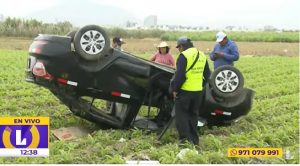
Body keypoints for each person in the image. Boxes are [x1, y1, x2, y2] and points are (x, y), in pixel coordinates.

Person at [169, 37, 210, 145]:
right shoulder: (201, 55)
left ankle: (185, 142)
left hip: (185, 92)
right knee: (193, 116)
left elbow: (179, 76)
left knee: (181, 116)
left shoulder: (184, 56)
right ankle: (194, 141)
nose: (179, 50)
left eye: (178, 47)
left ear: (181, 46)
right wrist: (200, 85)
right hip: (198, 92)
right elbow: (207, 74)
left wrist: (175, 90)